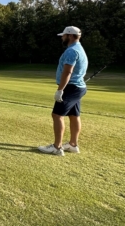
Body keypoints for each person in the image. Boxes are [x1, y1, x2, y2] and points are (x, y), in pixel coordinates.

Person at [38, 26, 88, 156]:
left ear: (70, 36)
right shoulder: (79, 49)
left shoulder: (71, 51)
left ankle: (57, 147)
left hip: (70, 88)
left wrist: (60, 90)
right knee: (74, 115)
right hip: (78, 87)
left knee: (57, 115)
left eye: (64, 35)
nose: (62, 37)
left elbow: (68, 71)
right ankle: (73, 144)